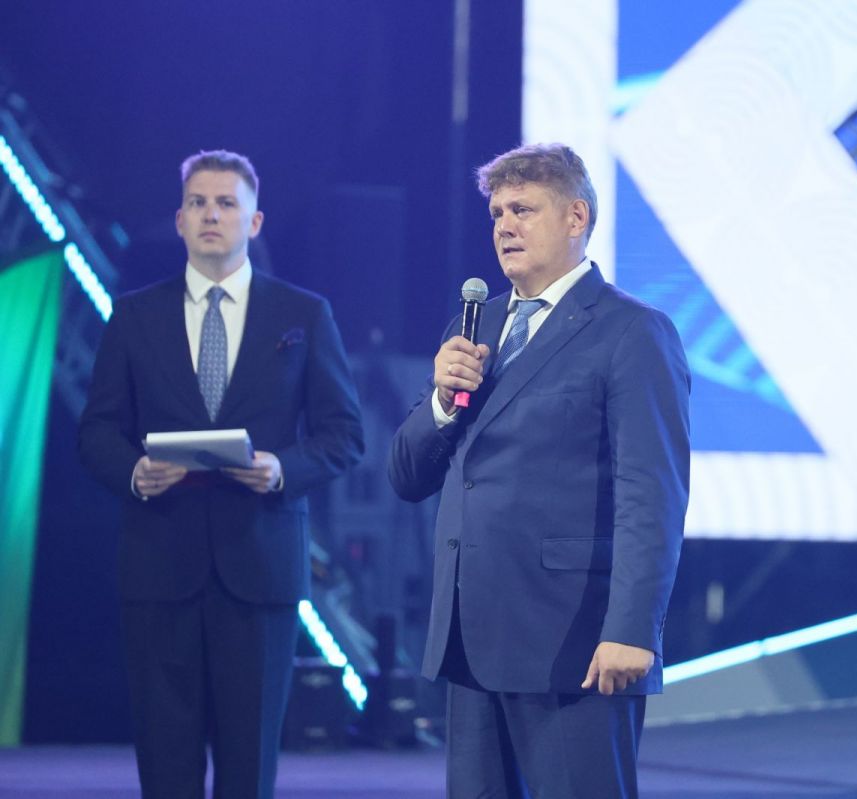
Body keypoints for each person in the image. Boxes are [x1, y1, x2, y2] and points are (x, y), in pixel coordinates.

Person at [389, 142, 690, 797]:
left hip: (573, 642)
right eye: (497, 212)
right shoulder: (476, 326)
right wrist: (440, 399)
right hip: (471, 639)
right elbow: (408, 474)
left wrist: (632, 629)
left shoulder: (632, 331)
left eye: (523, 209)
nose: (504, 225)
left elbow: (652, 495)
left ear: (576, 217)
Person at [78, 150, 364, 798]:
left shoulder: (303, 314)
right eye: (198, 203)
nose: (211, 214)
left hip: (260, 568)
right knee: (165, 765)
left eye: (226, 203)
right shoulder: (134, 315)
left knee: (248, 768)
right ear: (180, 220)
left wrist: (281, 468)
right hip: (159, 565)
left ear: (254, 222)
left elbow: (345, 435)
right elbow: (96, 432)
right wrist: (134, 471)